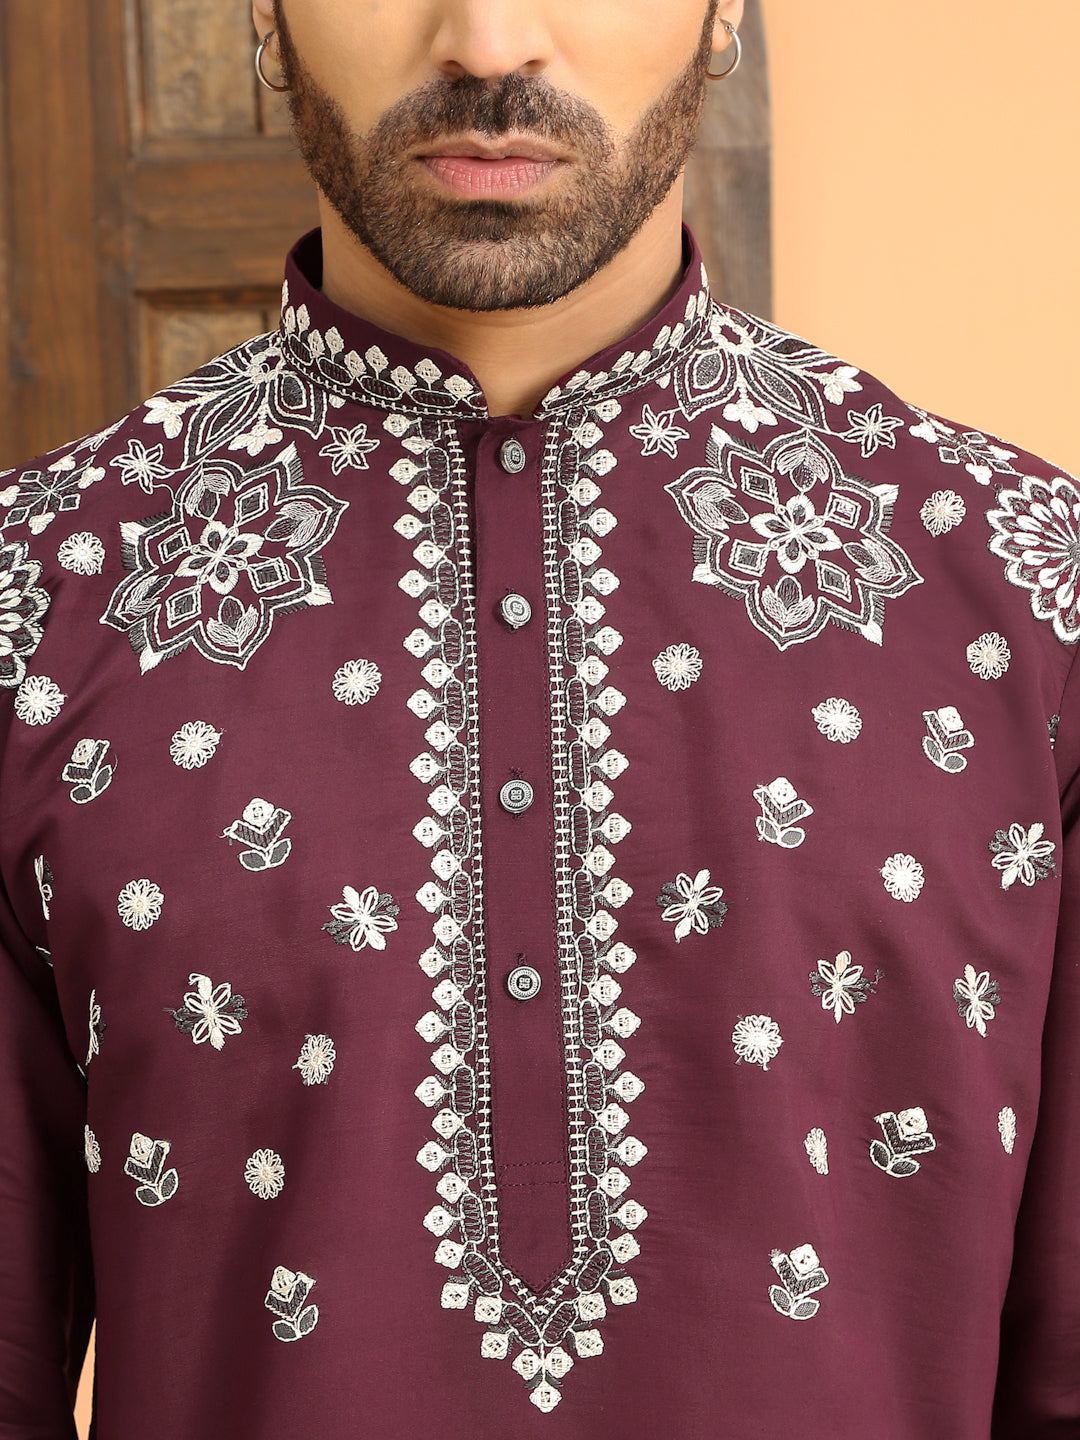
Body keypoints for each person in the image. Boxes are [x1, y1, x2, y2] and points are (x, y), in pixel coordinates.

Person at [0, 1, 1076, 1434]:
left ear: (724, 9)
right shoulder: (36, 603)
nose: (491, 39)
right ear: (264, 10)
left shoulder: (1029, 599)